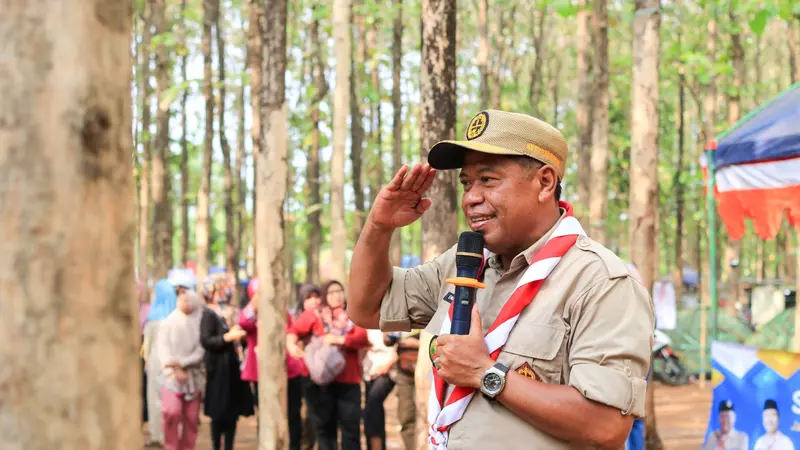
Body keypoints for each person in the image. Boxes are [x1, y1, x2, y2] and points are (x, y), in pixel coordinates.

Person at [346, 109, 654, 450]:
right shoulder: (464, 262)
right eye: (466, 183)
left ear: (545, 182)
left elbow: (606, 425)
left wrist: (484, 374)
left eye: (488, 180)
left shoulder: (599, 281)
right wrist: (379, 226)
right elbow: (367, 308)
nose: (471, 197)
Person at [287, 280, 369, 450]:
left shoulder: (353, 314)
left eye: (339, 291)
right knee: (325, 431)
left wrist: (341, 340)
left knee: (350, 431)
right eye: (331, 292)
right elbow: (293, 332)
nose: (336, 295)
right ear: (325, 295)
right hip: (321, 384)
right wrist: (292, 347)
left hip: (349, 381)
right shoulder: (314, 315)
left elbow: (362, 338)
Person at [201, 284, 254, 450]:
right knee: (218, 413)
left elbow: (244, 337)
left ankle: (229, 446)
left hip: (234, 370)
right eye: (218, 291)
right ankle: (216, 445)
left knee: (232, 413)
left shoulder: (235, 313)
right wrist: (227, 338)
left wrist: (241, 337)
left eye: (224, 291)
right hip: (217, 370)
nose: (222, 295)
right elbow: (206, 341)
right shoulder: (209, 314)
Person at [157, 290, 206, 450]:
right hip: (171, 377)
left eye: (188, 300)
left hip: (193, 376)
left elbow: (201, 350)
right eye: (182, 300)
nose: (185, 303)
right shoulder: (169, 322)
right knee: (172, 413)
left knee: (191, 418)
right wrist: (173, 367)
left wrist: (184, 363)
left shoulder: (201, 322)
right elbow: (162, 348)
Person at [143, 279, 178, 448]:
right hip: (173, 363)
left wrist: (147, 362)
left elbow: (147, 345)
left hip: (154, 362)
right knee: (171, 400)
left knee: (154, 399)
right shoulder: (177, 318)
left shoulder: (152, 318)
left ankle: (156, 434)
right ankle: (170, 435)